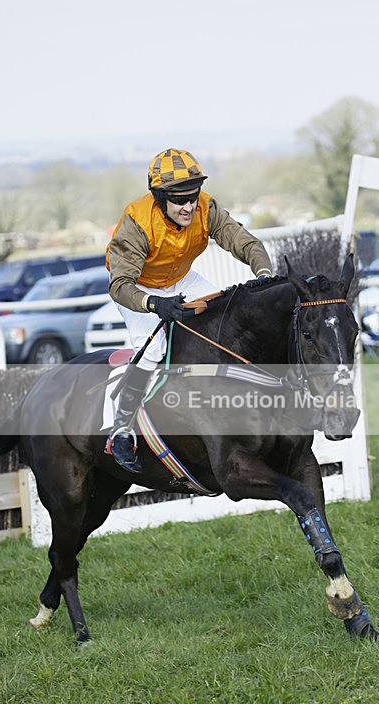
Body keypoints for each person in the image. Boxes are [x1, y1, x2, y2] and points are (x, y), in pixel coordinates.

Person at [105, 147, 273, 473]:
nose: (189, 206)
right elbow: (120, 285)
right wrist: (153, 304)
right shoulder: (137, 221)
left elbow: (246, 243)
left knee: (224, 321)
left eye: (192, 196)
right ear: (159, 198)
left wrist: (264, 275)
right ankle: (121, 428)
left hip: (183, 280)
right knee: (152, 349)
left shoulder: (206, 208)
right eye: (179, 200)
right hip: (138, 288)